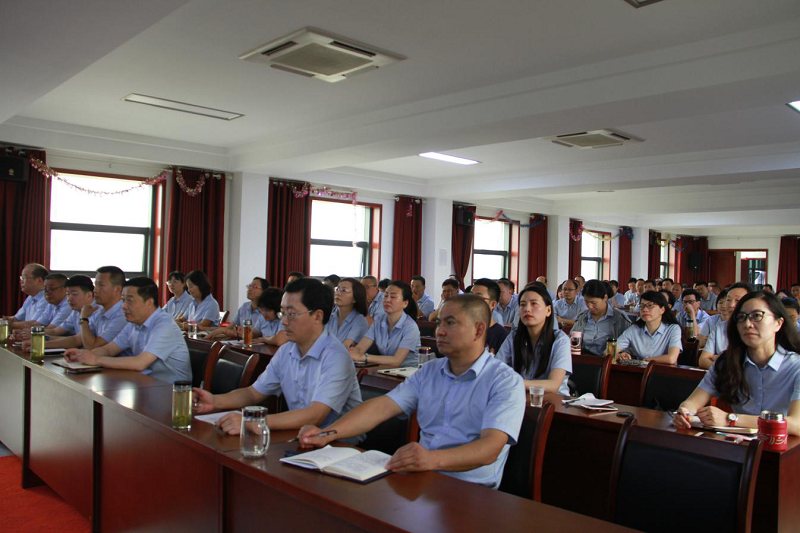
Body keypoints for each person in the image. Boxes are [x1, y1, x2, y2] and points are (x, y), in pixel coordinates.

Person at [298, 294, 525, 489]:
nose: (440, 331)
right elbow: (383, 406)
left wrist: (431, 459)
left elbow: (490, 448)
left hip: (472, 491)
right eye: (439, 323)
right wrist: (329, 433)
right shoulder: (430, 371)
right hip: (422, 477)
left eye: (450, 323)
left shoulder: (505, 382)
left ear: (479, 330)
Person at [194, 278, 363, 440]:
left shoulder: (336, 356)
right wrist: (215, 401)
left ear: (317, 316)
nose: (284, 322)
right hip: (299, 437)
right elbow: (253, 393)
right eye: (283, 313)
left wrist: (255, 422)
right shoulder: (286, 351)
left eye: (292, 314)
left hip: (339, 445)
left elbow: (316, 415)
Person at [674, 291, 800, 435]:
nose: (747, 324)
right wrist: (684, 412)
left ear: (778, 323)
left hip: (783, 444)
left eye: (757, 316)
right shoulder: (727, 362)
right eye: (741, 317)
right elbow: (692, 402)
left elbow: (796, 424)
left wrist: (731, 419)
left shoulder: (796, 366)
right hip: (738, 444)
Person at [65, 277, 191, 383]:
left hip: (172, 391)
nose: (124, 306)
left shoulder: (164, 324)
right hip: (144, 383)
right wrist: (81, 355)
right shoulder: (134, 323)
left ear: (149, 302)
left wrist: (95, 360)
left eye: (129, 300)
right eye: (123, 300)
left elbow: (140, 363)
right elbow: (108, 349)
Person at [496, 285, 571, 394]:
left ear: (548, 310)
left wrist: (514, 382)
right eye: (522, 305)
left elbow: (553, 385)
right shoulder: (514, 337)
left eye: (534, 304)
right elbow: (496, 370)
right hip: (520, 397)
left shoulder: (560, 340)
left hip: (552, 399)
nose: (527, 309)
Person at [349, 281, 420, 367]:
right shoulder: (379, 320)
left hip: (407, 372)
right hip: (385, 370)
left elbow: (397, 360)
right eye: (385, 296)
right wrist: (353, 353)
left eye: (393, 297)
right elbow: (360, 348)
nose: (387, 300)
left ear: (405, 303)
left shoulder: (411, 327)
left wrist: (364, 357)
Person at [22, 275, 102, 349]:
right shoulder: (76, 311)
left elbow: (76, 340)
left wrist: (39, 344)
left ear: (89, 295)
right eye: (67, 294)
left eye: (74, 294)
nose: (69, 298)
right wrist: (35, 333)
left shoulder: (97, 311)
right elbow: (55, 331)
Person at [616, 291, 682, 364]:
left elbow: (671, 358)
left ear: (662, 310)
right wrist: (618, 356)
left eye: (650, 305)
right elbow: (610, 351)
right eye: (642, 306)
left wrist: (646, 360)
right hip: (642, 370)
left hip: (665, 370)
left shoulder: (673, 329)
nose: (645, 309)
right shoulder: (635, 329)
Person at [698, 284, 752, 369]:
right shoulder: (719, 328)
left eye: (737, 300)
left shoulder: (754, 330)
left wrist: (718, 358)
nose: (731, 305)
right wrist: (727, 368)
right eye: (728, 300)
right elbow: (703, 361)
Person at [571, 280, 632, 356]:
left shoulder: (619, 318)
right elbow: (572, 338)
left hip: (609, 360)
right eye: (586, 302)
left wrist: (621, 354)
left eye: (593, 303)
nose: (590, 306)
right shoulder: (583, 317)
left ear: (605, 298)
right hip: (583, 359)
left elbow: (629, 345)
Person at [325, 277, 369, 348]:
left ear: (354, 298)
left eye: (344, 290)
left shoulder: (360, 321)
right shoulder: (330, 316)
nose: (338, 293)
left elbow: (345, 347)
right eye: (337, 289)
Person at [4, 263, 49, 331]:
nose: (21, 281)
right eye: (21, 278)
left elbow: (35, 324)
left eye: (24, 278)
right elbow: (16, 319)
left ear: (39, 280)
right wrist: (6, 320)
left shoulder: (47, 298)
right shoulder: (30, 298)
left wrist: (7, 324)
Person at [470, 278, 509, 354]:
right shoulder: (464, 330)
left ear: (493, 304)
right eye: (470, 296)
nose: (472, 301)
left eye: (478, 298)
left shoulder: (503, 337)